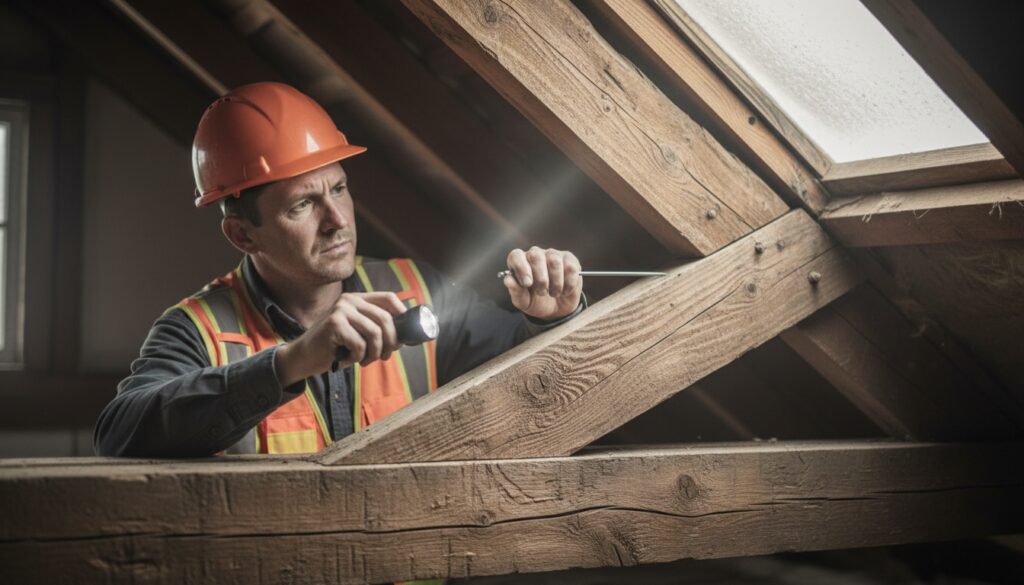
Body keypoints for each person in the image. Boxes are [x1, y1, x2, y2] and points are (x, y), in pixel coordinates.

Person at [93, 82, 585, 457]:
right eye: (303, 205)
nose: (337, 221)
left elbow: (535, 377)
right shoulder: (196, 331)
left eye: (339, 189)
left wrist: (550, 320)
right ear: (243, 235)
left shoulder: (418, 290)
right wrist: (292, 362)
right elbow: (119, 434)